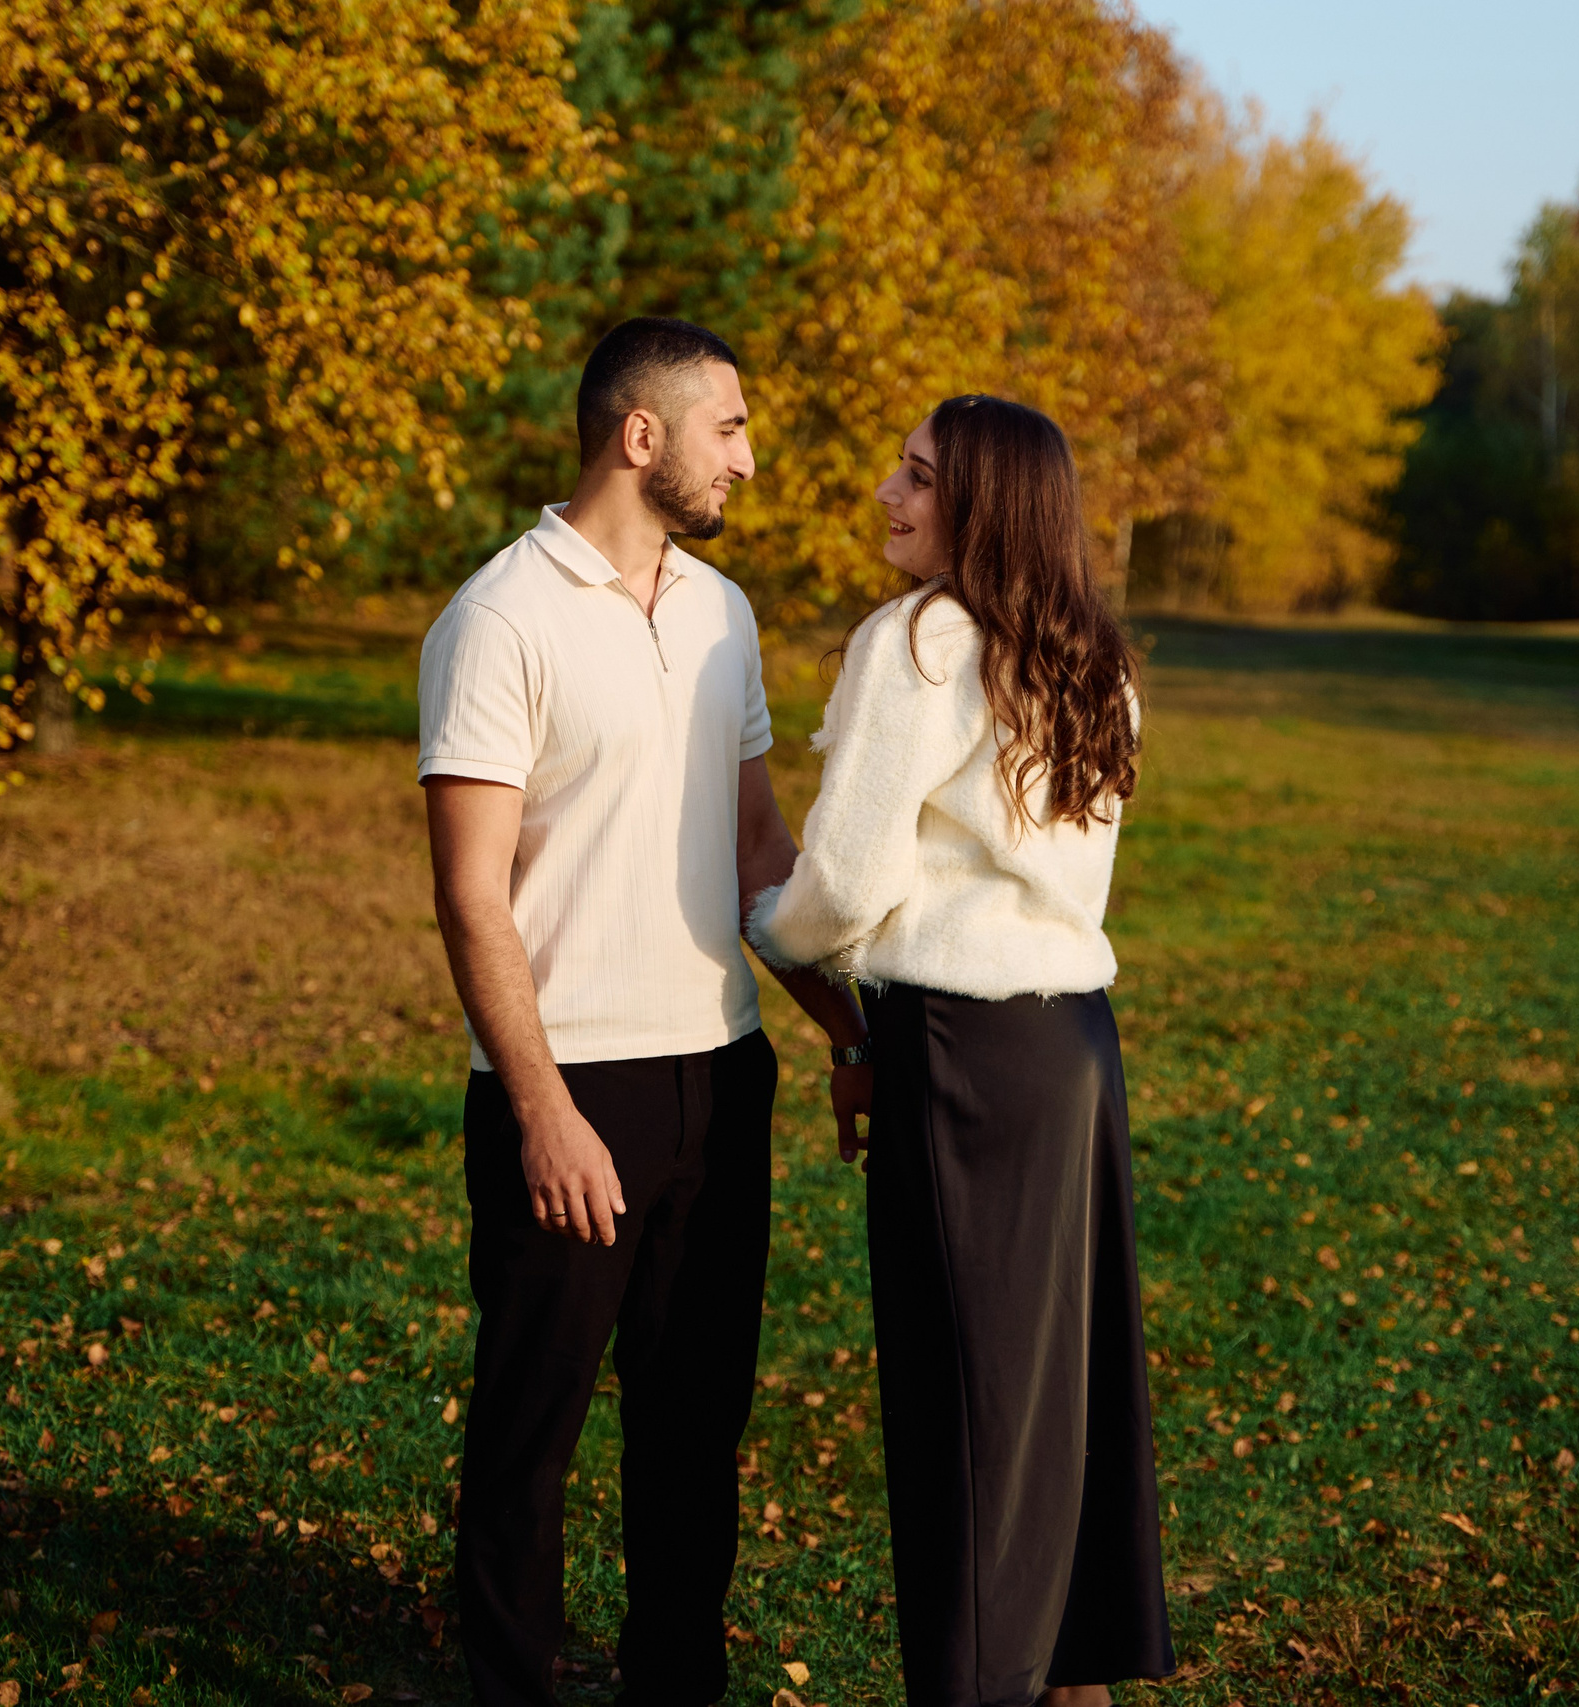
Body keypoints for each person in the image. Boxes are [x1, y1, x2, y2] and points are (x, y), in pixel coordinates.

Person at [417, 317, 871, 1707]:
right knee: (530, 1431)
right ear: (641, 436)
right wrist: (544, 1112)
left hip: (722, 1081)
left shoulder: (721, 611)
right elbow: (471, 896)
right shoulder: (497, 618)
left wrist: (845, 1027)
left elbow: (756, 856)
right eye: (728, 426)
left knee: (694, 1428)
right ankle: (512, 1685)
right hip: (575, 1090)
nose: (750, 454)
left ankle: (674, 1684)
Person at [747, 394, 1175, 1707]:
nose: (888, 491)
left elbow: (846, 881)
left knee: (968, 1409)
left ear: (984, 504)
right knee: (1064, 1388)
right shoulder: (1090, 654)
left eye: (921, 476)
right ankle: (1074, 1680)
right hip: (1072, 1053)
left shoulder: (920, 640)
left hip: (964, 1055)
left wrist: (763, 923)